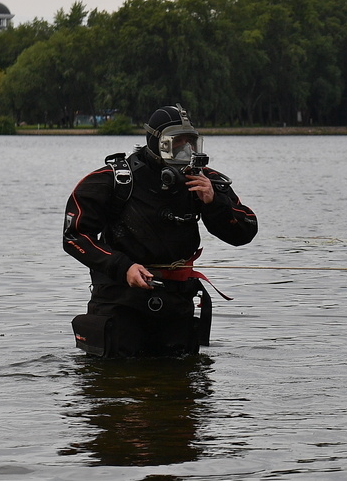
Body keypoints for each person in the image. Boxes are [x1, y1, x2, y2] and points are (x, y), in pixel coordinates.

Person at [64, 104, 257, 357]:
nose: (185, 150)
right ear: (157, 142)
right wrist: (123, 267)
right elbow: (75, 236)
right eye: (177, 142)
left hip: (176, 303)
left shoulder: (203, 181)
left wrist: (213, 203)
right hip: (120, 301)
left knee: (180, 385)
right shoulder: (115, 180)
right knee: (117, 385)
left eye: (191, 143)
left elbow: (245, 231)